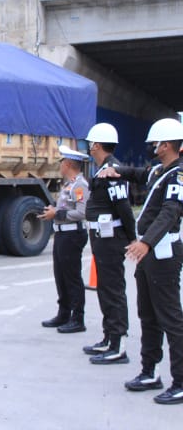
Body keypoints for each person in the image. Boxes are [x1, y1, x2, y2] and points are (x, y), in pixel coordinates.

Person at [98, 118, 183, 405]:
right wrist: (116, 171)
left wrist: (146, 242)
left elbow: (170, 212)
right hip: (149, 257)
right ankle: (150, 371)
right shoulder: (160, 171)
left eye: (154, 144)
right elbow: (138, 174)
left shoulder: (178, 176)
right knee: (147, 315)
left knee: (170, 318)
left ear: (166, 145)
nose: (151, 148)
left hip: (162, 254)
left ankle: (180, 382)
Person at [83, 123, 136, 364]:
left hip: (111, 240)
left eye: (89, 144)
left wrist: (132, 238)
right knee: (105, 289)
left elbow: (124, 208)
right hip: (101, 238)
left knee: (113, 290)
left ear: (96, 145)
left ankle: (118, 345)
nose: (88, 148)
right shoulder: (103, 169)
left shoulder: (112, 171)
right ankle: (109, 337)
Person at [39, 145, 90, 333]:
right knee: (60, 275)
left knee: (72, 277)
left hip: (72, 235)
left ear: (68, 164)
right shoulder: (69, 184)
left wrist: (56, 214)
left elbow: (81, 212)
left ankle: (78, 318)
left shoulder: (79, 185)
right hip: (62, 234)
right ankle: (63, 313)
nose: (60, 164)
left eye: (62, 161)